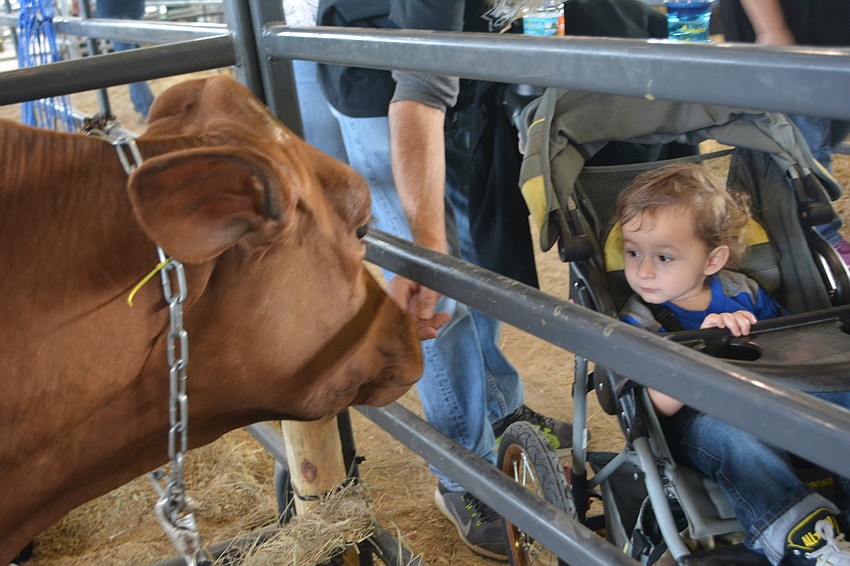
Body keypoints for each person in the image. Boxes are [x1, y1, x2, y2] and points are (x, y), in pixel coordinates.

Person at [315, 0, 574, 560]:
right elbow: (418, 86)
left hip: (461, 75)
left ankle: (502, 407)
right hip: (386, 86)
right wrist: (424, 244)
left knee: (471, 262)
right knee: (430, 278)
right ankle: (464, 475)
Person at [617, 163, 850, 566]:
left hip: (774, 401)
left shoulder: (745, 293)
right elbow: (651, 409)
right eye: (632, 252)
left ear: (712, 260)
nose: (643, 270)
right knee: (735, 440)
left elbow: (797, 354)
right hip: (698, 424)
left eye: (664, 257)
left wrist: (758, 336)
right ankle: (804, 541)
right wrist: (698, 352)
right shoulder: (640, 320)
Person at [718, 0, 850, 264]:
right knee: (801, 148)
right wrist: (772, 29)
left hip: (832, 34)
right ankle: (820, 242)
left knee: (822, 135)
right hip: (790, 33)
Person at [96, 0, 155, 119]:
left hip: (113, 8)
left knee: (130, 61)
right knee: (134, 58)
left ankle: (146, 106)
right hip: (134, 7)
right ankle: (142, 103)